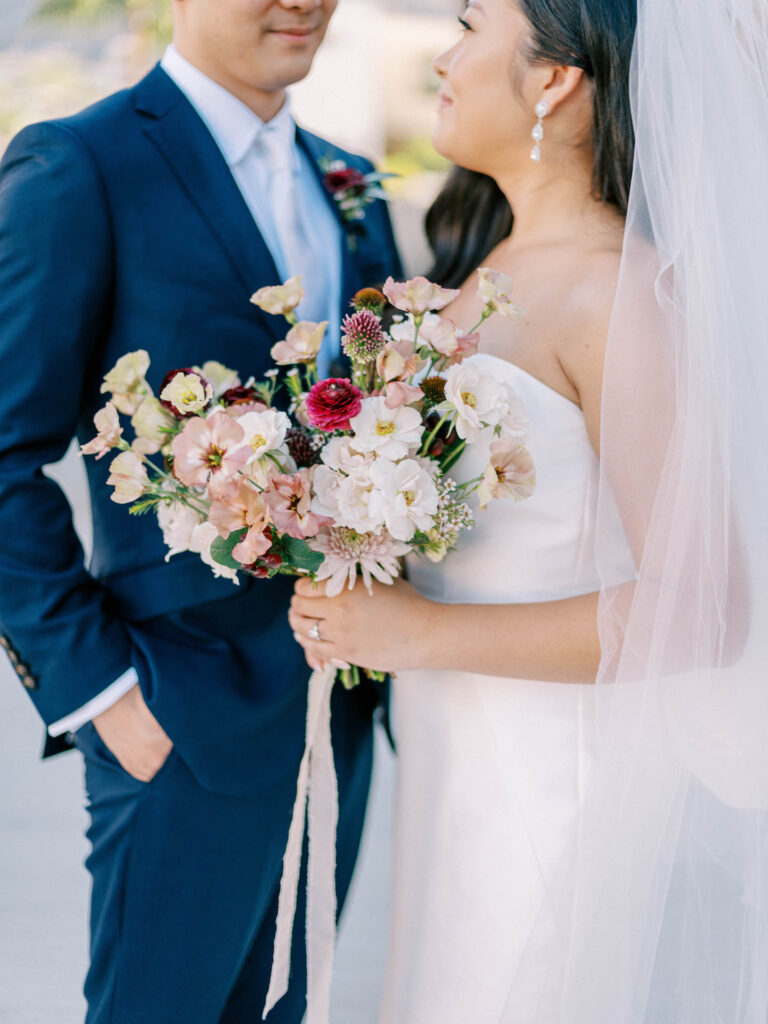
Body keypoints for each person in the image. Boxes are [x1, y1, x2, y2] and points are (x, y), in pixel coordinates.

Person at [291, 0, 768, 1020]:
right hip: (458, 769)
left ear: (555, 80)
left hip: (557, 783)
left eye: (469, 24)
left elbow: (708, 604)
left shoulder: (616, 294)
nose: (447, 56)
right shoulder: (483, 274)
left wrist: (419, 631)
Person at [0, 1, 401, 1021]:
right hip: (173, 713)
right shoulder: (80, 165)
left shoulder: (351, 180)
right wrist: (101, 696)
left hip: (331, 720)